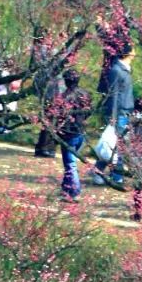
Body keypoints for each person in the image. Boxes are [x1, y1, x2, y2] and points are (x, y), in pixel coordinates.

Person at [94, 47, 134, 190]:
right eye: (133, 50)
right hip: (120, 113)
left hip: (126, 111)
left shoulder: (126, 69)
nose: (135, 53)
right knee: (118, 146)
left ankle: (98, 171)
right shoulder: (116, 70)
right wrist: (113, 116)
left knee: (114, 145)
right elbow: (114, 94)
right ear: (128, 53)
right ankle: (116, 177)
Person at [55, 66, 91, 201]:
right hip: (81, 131)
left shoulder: (64, 97)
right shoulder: (85, 94)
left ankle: (74, 192)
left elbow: (58, 115)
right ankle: (66, 188)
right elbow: (89, 111)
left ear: (65, 81)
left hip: (68, 133)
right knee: (70, 162)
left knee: (70, 163)